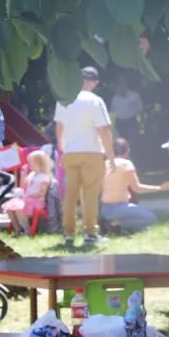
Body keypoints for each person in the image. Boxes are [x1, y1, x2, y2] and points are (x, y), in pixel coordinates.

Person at [54, 67, 114, 246]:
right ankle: (90, 232)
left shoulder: (64, 99)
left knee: (71, 194)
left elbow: (59, 127)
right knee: (90, 193)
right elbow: (103, 130)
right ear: (94, 83)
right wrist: (111, 156)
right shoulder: (95, 101)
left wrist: (62, 149)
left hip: (71, 152)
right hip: (92, 151)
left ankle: (69, 233)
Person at [100, 137, 161, 233]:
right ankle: (114, 224)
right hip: (120, 207)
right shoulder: (126, 164)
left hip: (105, 208)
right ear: (127, 151)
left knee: (143, 229)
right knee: (151, 218)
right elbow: (137, 188)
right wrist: (159, 188)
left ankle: (114, 223)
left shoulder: (104, 164)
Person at [1, 150, 54, 233]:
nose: (30, 165)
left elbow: (42, 193)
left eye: (31, 163)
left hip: (37, 201)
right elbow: (23, 187)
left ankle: (27, 228)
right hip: (28, 200)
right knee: (9, 208)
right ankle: (17, 227)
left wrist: (30, 196)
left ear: (38, 163)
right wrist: (23, 174)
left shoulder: (44, 177)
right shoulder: (31, 174)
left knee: (19, 208)